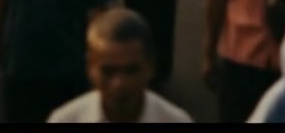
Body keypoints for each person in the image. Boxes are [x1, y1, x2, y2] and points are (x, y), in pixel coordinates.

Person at [47, 10, 193, 124]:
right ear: (89, 68)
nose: (119, 84)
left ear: (151, 67)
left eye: (132, 70)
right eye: (108, 71)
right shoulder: (65, 119)